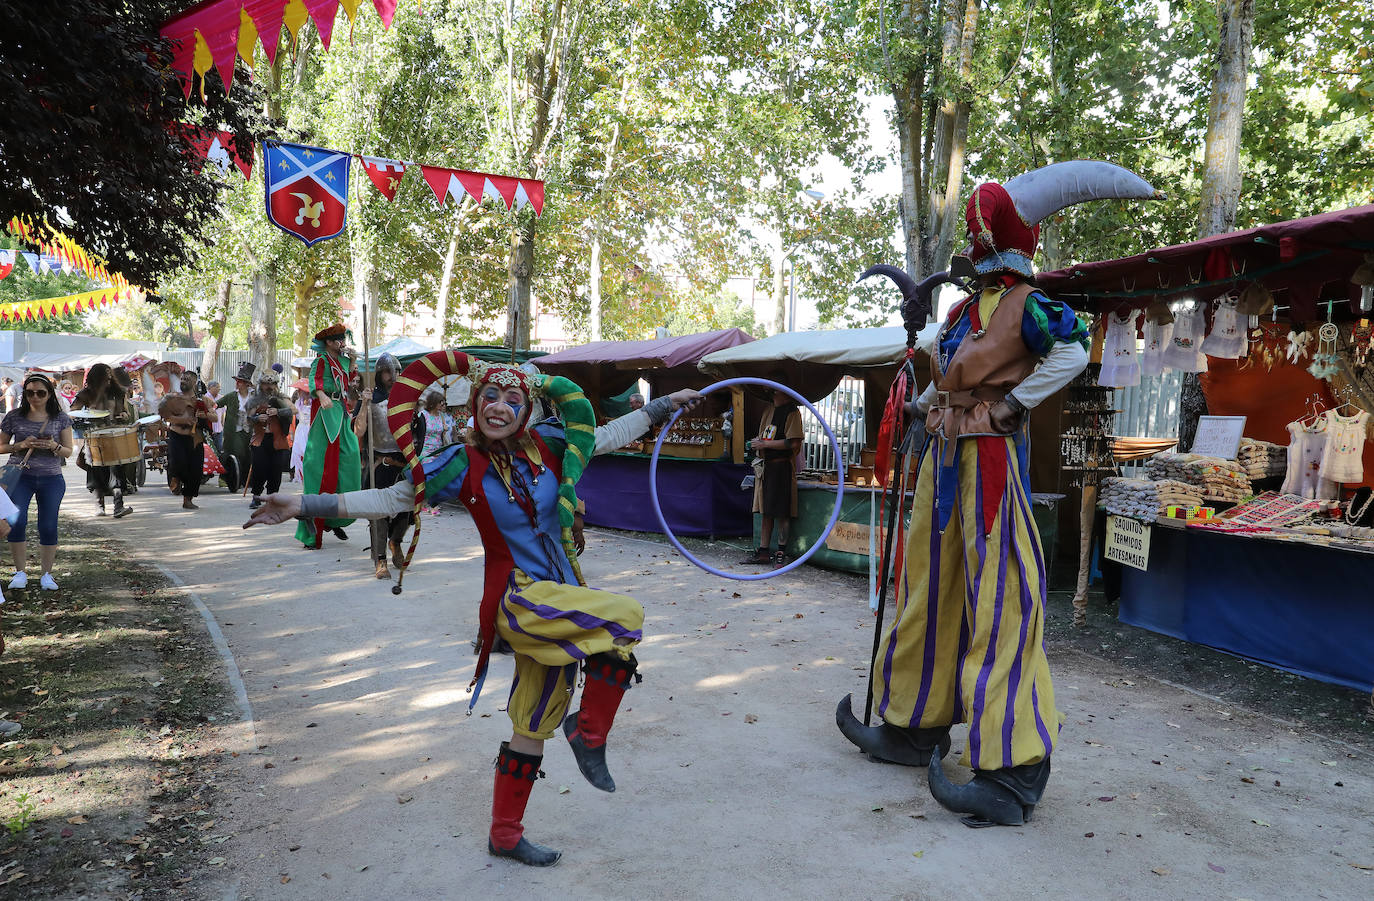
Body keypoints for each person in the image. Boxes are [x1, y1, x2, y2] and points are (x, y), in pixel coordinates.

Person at [247, 353, 701, 867]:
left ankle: (504, 835)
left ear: (528, 407)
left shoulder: (552, 446)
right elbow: (394, 497)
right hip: (519, 598)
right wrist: (303, 504)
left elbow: (606, 435)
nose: (500, 408)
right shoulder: (459, 462)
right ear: (474, 401)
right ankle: (589, 733)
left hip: (563, 596)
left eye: (513, 399)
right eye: (490, 396)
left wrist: (665, 403)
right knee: (625, 616)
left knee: (533, 722)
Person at [836, 163, 1157, 828]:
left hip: (989, 459)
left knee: (1002, 599)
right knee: (927, 583)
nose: (974, 251)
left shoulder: (1031, 305)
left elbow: (1071, 352)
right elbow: (947, 376)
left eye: (981, 236)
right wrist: (915, 412)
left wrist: (1015, 402)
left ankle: (1013, 771)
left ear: (998, 241)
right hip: (943, 457)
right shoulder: (961, 311)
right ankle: (912, 726)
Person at [0, 374, 75, 590]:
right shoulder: (14, 416)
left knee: (48, 525)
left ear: (49, 394)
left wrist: (53, 446)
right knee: (17, 522)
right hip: (20, 477)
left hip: (51, 478)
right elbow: (1, 446)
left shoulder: (60, 418)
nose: (35, 396)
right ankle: (20, 573)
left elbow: (68, 451)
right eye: (30, 392)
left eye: (40, 392)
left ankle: (46, 575)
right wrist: (20, 445)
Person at [295, 323, 359, 549]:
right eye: (339, 340)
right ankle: (313, 528)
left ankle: (333, 517)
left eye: (343, 339)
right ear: (329, 343)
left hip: (340, 412)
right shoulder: (321, 360)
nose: (343, 343)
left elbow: (350, 386)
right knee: (321, 467)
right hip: (324, 414)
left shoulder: (343, 360)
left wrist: (352, 363)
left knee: (349, 460)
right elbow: (314, 381)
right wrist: (321, 395)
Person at [352, 354, 410, 579]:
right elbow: (359, 431)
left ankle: (395, 543)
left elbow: (417, 428)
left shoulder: (407, 398)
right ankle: (381, 560)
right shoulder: (370, 398)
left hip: (403, 463)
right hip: (379, 464)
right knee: (378, 514)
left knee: (405, 511)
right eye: (387, 372)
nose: (392, 377)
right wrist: (365, 404)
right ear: (379, 374)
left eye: (395, 371)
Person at [740, 388, 803, 568]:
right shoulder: (769, 410)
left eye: (775, 390)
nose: (772, 394)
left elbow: (793, 442)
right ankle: (763, 552)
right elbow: (765, 436)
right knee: (766, 511)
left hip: (782, 466)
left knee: (783, 511)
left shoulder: (792, 412)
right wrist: (757, 442)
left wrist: (764, 443)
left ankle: (781, 552)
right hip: (767, 466)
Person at [71, 363, 136, 518]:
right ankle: (100, 506)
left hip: (115, 435)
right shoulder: (86, 393)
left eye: (109, 375)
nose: (108, 378)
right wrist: (84, 416)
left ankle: (118, 506)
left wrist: (124, 416)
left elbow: (126, 411)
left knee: (117, 472)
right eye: (104, 375)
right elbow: (73, 411)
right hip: (95, 436)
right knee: (97, 472)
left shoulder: (118, 392)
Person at [159, 368, 214, 510]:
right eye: (182, 379)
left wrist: (205, 416)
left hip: (196, 438)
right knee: (178, 464)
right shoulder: (172, 398)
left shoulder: (203, 400)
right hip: (177, 436)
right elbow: (165, 416)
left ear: (194, 382)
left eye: (187, 380)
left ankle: (187, 500)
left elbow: (214, 417)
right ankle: (175, 478)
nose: (183, 381)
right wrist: (182, 420)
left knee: (195, 470)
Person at [245, 371, 295, 508]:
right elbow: (247, 419)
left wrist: (278, 411)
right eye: (266, 384)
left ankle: (272, 498)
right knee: (259, 469)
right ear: (261, 385)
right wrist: (257, 418)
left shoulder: (282, 397)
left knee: (275, 471)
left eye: (272, 384)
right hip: (260, 439)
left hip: (278, 439)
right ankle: (256, 497)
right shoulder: (255, 399)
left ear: (276, 384)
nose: (269, 386)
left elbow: (293, 410)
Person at [217, 363, 255, 490]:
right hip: (233, 432)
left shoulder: (253, 396)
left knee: (248, 455)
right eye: (237, 381)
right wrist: (207, 404)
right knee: (236, 453)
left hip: (249, 431)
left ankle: (245, 480)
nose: (237, 383)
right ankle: (228, 478)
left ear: (247, 384)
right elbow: (216, 404)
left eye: (240, 382)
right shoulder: (231, 396)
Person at [290, 380, 311, 481]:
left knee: (309, 451)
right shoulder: (298, 402)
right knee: (299, 451)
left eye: (301, 390)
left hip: (311, 429)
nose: (299, 392)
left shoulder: (314, 402)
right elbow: (296, 415)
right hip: (301, 429)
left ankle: (309, 475)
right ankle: (300, 475)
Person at [205, 380, 224, 453]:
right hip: (208, 430)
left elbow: (223, 412)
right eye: (217, 387)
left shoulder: (221, 398)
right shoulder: (204, 398)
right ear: (210, 387)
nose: (219, 389)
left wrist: (222, 423)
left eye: (219, 387)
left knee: (219, 449)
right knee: (210, 451)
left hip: (219, 429)